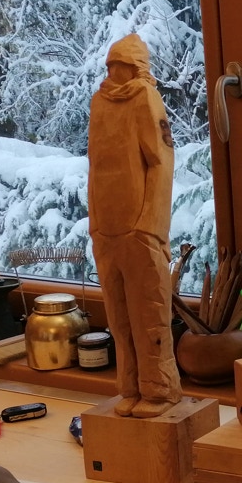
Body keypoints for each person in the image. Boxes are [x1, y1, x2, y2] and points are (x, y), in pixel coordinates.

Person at [88, 33, 183, 418]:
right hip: (106, 229)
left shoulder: (145, 98)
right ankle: (129, 386)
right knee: (119, 318)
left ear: (136, 67)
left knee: (150, 314)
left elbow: (162, 162)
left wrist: (150, 225)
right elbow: (94, 165)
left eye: (121, 66)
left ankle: (159, 390)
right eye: (111, 65)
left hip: (140, 228)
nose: (114, 72)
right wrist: (95, 221)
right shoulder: (99, 103)